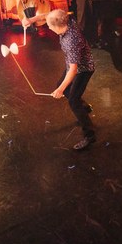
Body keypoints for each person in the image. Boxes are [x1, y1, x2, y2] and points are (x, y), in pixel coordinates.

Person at [23, 8, 97, 150]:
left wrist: (60, 90)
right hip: (73, 66)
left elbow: (74, 70)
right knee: (65, 89)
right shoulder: (68, 19)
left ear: (57, 26)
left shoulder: (70, 41)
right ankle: (85, 109)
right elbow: (50, 15)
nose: (49, 28)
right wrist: (31, 20)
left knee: (73, 100)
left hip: (83, 69)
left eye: (49, 26)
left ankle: (90, 135)